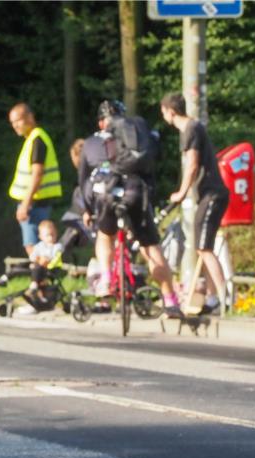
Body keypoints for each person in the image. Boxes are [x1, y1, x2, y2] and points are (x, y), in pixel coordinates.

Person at [79, 100, 180, 316]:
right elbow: (153, 167)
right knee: (151, 248)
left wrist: (88, 209)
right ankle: (170, 300)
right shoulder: (139, 134)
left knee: (105, 236)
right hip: (135, 193)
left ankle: (106, 279)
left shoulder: (90, 143)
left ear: (101, 123)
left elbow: (83, 180)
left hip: (107, 194)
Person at [160, 92, 230, 315]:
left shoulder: (190, 130)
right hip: (210, 194)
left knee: (204, 247)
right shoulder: (195, 128)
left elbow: (192, 164)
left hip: (211, 194)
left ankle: (222, 298)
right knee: (203, 247)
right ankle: (211, 298)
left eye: (163, 113)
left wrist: (181, 193)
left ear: (170, 112)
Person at [7, 103, 62, 258]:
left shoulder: (37, 139)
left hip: (35, 203)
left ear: (30, 117)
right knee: (37, 246)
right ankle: (41, 278)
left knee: (34, 247)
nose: (15, 125)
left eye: (18, 120)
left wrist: (26, 203)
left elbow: (37, 173)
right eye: (12, 122)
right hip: (35, 201)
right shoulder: (32, 139)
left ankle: (39, 279)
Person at [25, 219, 62, 308]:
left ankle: (34, 286)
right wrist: (37, 259)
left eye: (52, 235)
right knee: (34, 266)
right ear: (41, 236)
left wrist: (44, 259)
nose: (50, 238)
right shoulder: (39, 246)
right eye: (47, 235)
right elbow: (32, 256)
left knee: (39, 268)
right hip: (38, 265)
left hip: (50, 267)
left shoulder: (57, 246)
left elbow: (53, 256)